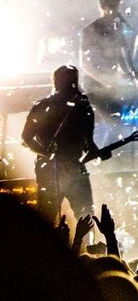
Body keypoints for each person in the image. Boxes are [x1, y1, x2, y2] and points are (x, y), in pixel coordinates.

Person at [21, 64, 106, 219]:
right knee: (49, 217)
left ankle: (86, 243)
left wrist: (99, 153)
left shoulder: (83, 108)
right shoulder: (43, 106)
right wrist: (47, 154)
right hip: (50, 172)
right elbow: (26, 138)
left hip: (75, 168)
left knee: (86, 216)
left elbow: (89, 144)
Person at [79, 0, 135, 91]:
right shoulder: (89, 31)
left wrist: (128, 75)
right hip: (93, 86)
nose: (117, 9)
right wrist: (106, 82)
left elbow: (119, 56)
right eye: (113, 6)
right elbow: (85, 64)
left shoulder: (117, 27)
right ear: (103, 7)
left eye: (117, 5)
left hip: (112, 83)